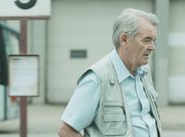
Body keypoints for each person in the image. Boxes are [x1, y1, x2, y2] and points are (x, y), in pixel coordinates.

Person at [58, 8, 162, 137]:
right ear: (124, 39)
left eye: (153, 40)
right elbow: (66, 130)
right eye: (146, 40)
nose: (152, 47)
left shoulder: (144, 73)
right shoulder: (97, 78)